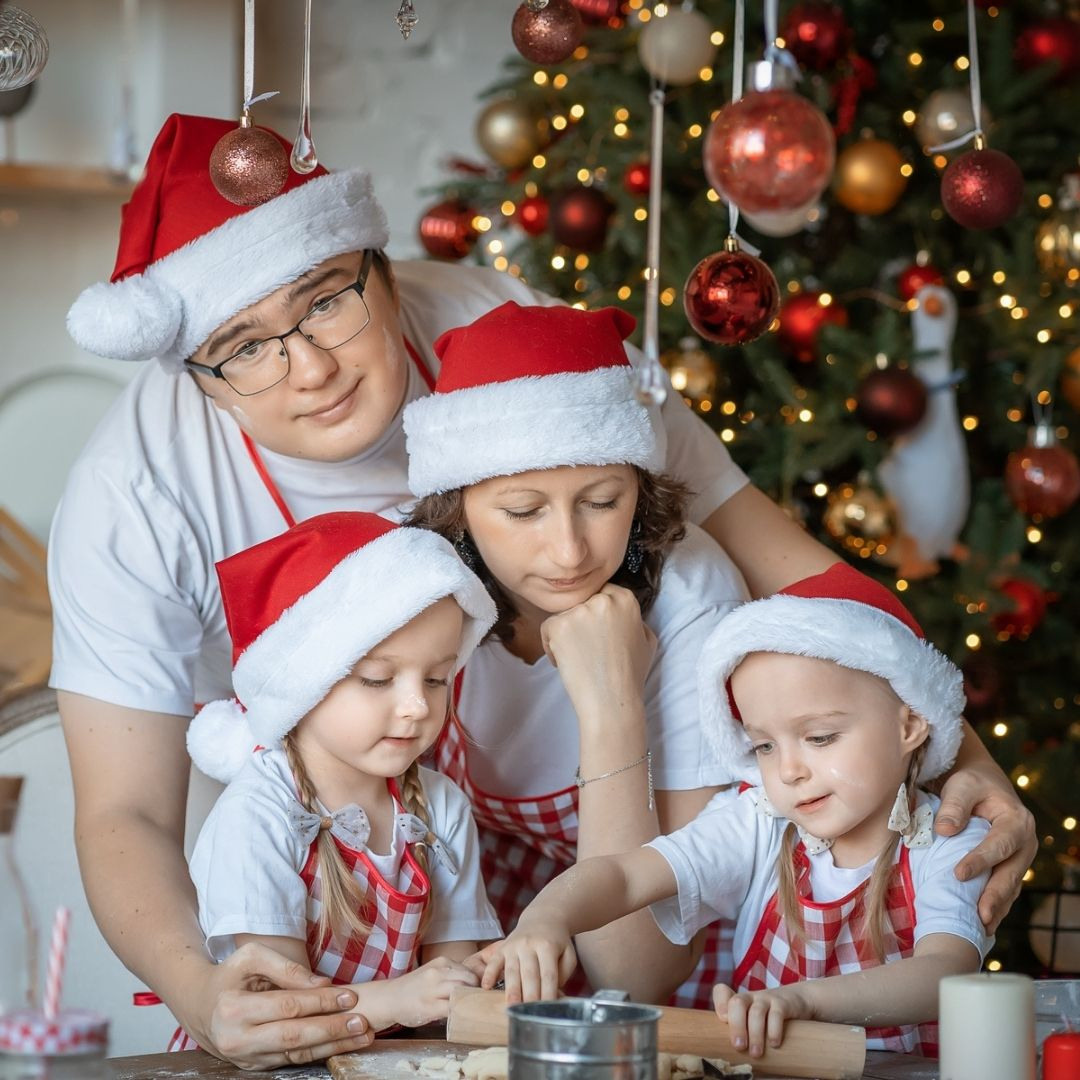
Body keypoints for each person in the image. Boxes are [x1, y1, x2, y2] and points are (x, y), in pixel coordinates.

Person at [50, 112, 1032, 1066]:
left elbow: (794, 567)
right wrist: (200, 989)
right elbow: (125, 810)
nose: (307, 366)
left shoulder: (537, 359)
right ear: (197, 376)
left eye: (324, 300)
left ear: (378, 268)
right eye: (246, 347)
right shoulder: (135, 492)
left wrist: (957, 748)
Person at [475, 564, 992, 1060]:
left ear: (909, 726)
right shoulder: (761, 824)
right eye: (764, 746)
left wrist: (804, 1002)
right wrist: (547, 919)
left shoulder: (948, 842)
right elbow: (624, 876)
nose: (789, 770)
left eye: (819, 737)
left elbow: (945, 971)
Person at [404, 300, 750, 1007]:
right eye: (524, 511)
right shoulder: (410, 589)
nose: (569, 552)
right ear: (456, 508)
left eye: (601, 500)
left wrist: (611, 706)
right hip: (468, 954)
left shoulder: (693, 594)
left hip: (663, 984)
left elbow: (639, 972)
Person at [183, 511, 502, 1050]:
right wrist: (399, 999)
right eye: (378, 679)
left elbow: (451, 989)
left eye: (437, 678)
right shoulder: (257, 815)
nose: (417, 705)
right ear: (304, 684)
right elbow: (275, 1012)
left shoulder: (439, 807)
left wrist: (468, 991)